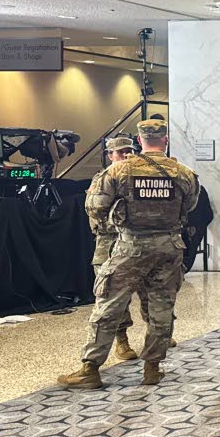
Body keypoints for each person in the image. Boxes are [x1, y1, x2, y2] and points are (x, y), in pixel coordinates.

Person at [58, 120, 198, 389]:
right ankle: (152, 368)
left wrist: (118, 219)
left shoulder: (119, 170)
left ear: (139, 140)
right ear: (166, 140)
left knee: (109, 304)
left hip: (131, 246)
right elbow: (190, 205)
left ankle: (90, 369)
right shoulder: (184, 173)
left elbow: (95, 206)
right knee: (161, 308)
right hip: (169, 247)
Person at [86, 135, 147, 362]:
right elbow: (95, 212)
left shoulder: (140, 176)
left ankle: (156, 333)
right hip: (110, 242)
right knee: (113, 292)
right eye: (119, 152)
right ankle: (122, 340)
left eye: (129, 151)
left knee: (150, 289)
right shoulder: (103, 179)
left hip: (137, 240)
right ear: (110, 155)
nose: (125, 155)